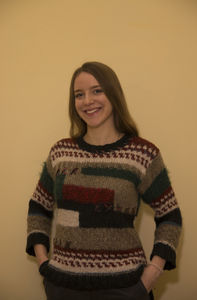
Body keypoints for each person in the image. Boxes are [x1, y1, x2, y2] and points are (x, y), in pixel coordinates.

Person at [26, 62, 182, 300]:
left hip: (126, 287)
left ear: (113, 94)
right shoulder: (61, 153)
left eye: (97, 90)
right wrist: (43, 264)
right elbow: (38, 207)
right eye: (79, 94)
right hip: (63, 287)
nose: (87, 100)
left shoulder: (142, 154)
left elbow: (170, 215)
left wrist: (150, 275)